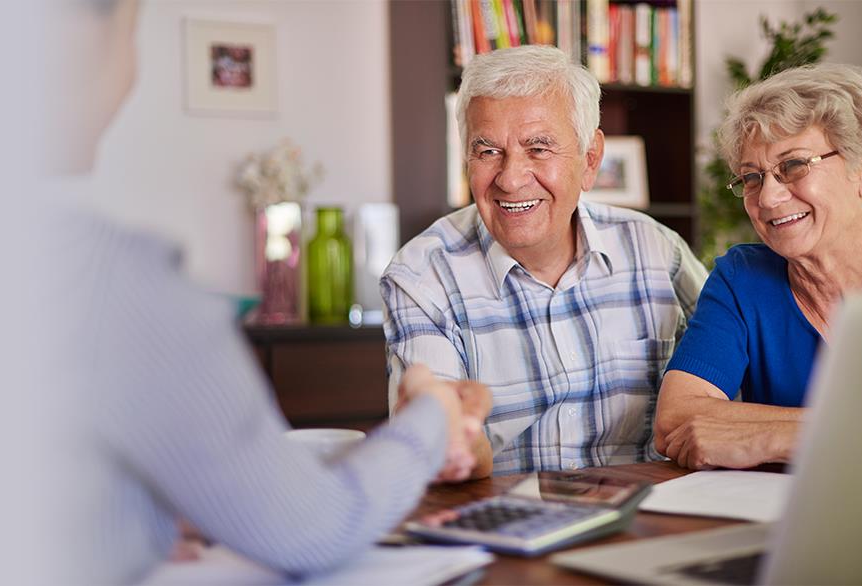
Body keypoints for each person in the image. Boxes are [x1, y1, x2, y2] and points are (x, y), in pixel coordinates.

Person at [52, 0, 491, 583]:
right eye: (132, 30)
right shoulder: (112, 281)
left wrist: (140, 516)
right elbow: (315, 526)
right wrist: (433, 413)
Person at [383, 45, 708, 478]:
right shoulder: (420, 277)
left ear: (590, 160)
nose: (510, 179)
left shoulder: (657, 250)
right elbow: (445, 446)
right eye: (487, 151)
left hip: (649, 510)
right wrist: (451, 437)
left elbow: (733, 381)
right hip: (507, 515)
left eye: (538, 148)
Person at [654, 63, 862, 470]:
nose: (767, 198)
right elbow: (675, 420)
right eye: (752, 177)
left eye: (793, 166)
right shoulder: (743, 279)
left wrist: (779, 436)